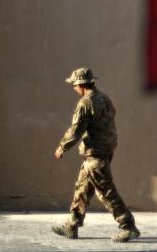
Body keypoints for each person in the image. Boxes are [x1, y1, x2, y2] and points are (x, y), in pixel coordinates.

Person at [51, 67, 141, 243]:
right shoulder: (104, 99)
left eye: (74, 84)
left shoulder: (85, 103)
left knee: (106, 192)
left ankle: (128, 226)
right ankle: (72, 225)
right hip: (104, 151)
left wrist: (62, 147)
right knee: (82, 188)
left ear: (81, 84)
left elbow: (76, 130)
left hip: (95, 154)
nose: (73, 88)